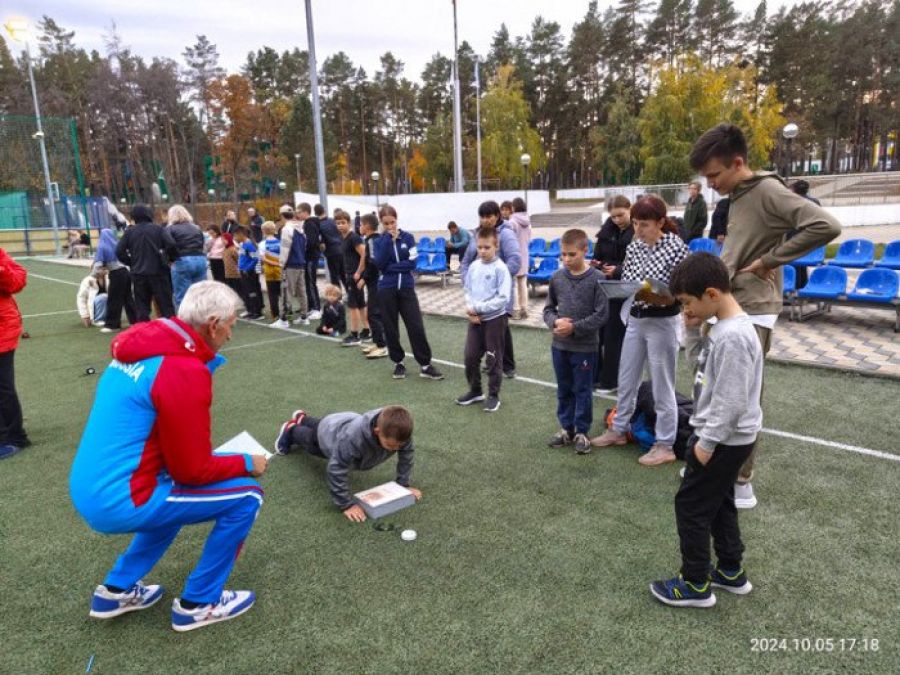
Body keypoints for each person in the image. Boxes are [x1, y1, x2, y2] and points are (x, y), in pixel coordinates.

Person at [69, 282, 266, 631]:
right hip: (123, 496)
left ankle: (114, 591)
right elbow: (192, 470)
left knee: (175, 497)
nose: (231, 335)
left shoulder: (146, 346)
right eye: (232, 326)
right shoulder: (181, 369)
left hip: (93, 486)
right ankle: (199, 603)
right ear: (214, 323)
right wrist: (248, 462)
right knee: (247, 496)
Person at [688, 123, 840, 508]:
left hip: (753, 310)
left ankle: (741, 480)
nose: (710, 185)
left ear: (738, 163)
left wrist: (770, 260)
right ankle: (717, 465)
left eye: (714, 176)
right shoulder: (738, 194)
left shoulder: (768, 190)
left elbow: (826, 225)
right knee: (713, 385)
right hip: (731, 304)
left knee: (742, 395)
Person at [649, 252, 762, 608]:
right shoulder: (721, 328)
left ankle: (696, 583)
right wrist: (691, 327)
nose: (685, 309)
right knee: (720, 503)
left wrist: (707, 443)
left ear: (712, 293)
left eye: (687, 303)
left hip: (723, 439)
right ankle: (730, 570)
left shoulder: (733, 337)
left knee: (692, 506)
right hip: (726, 437)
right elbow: (698, 369)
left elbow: (731, 401)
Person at [591, 196, 689, 466]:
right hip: (635, 318)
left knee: (662, 384)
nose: (638, 230)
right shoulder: (634, 246)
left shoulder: (675, 247)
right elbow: (630, 280)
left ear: (660, 222)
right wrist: (628, 288)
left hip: (662, 322)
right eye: (635, 223)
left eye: (644, 224)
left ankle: (665, 444)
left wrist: (666, 296)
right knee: (627, 377)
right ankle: (618, 429)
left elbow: (682, 288)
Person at [273, 406, 422, 523]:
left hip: (341, 421)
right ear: (377, 431)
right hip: (330, 435)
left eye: (399, 445)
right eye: (390, 445)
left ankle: (302, 418)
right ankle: (291, 430)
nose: (396, 449)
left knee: (320, 424)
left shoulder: (399, 431)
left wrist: (403, 484)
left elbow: (406, 455)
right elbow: (336, 468)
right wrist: (346, 504)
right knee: (312, 442)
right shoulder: (352, 439)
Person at [544, 229, 609, 455]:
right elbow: (548, 309)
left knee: (582, 390)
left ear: (585, 250)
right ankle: (566, 429)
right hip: (559, 347)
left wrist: (574, 327)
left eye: (572, 254)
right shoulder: (557, 278)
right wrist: (554, 322)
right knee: (564, 389)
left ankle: (582, 431)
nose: (567, 259)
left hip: (585, 348)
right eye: (563, 254)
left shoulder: (598, 279)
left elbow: (602, 315)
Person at [373, 204, 444, 381]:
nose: (390, 226)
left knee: (416, 326)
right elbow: (379, 264)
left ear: (397, 220)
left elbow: (412, 263)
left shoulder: (408, 238)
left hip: (406, 288)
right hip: (386, 289)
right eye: (386, 223)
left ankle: (425, 365)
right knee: (390, 327)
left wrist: (392, 267)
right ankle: (398, 362)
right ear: (381, 223)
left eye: (392, 222)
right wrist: (389, 242)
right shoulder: (379, 242)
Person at [460, 201, 522, 378]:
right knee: (488, 328)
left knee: (500, 327)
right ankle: (497, 362)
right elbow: (465, 262)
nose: (486, 220)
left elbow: (515, 261)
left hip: (498, 294)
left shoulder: (506, 234)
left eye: (489, 216)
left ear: (497, 216)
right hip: (478, 294)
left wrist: (498, 280)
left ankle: (506, 365)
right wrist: (469, 280)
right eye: (483, 216)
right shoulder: (477, 235)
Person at [456, 227, 512, 413]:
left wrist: (478, 308)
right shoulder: (473, 266)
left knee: (493, 358)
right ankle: (475, 390)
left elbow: (503, 299)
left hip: (495, 320)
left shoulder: (501, 269)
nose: (482, 251)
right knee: (470, 356)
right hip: (475, 320)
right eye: (479, 247)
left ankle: (493, 395)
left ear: (496, 245)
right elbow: (468, 290)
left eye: (486, 247)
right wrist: (471, 310)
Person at [590, 195, 633, 394]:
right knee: (600, 332)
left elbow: (637, 264)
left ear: (629, 209)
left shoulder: (636, 232)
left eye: (620, 215)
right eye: (613, 216)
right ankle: (596, 375)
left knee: (614, 335)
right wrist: (597, 264)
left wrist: (616, 270)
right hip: (604, 286)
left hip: (625, 290)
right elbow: (598, 255)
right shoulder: (607, 231)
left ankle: (611, 379)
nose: (617, 220)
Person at [116, 204, 178, 322]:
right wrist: (170, 259)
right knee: (166, 306)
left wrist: (131, 262)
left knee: (142, 308)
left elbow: (119, 251)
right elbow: (171, 245)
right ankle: (171, 331)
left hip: (139, 274)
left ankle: (145, 332)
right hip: (158, 272)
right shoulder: (158, 229)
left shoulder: (130, 232)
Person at [0, 247, 30, 459]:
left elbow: (18, 281)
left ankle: (15, 437)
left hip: (3, 330)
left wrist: (1, 271)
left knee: (3, 386)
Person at [336, 209, 369, 346]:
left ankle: (355, 335)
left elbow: (364, 253)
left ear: (349, 223)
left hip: (354, 276)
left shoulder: (353, 237)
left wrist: (358, 272)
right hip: (349, 275)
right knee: (360, 304)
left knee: (353, 305)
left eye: (343, 222)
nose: (340, 225)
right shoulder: (343, 238)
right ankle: (367, 331)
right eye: (337, 223)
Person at [94, 228, 136, 333]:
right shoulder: (117, 244)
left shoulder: (102, 246)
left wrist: (94, 275)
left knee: (114, 299)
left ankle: (112, 325)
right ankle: (135, 321)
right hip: (126, 272)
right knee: (128, 298)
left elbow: (98, 265)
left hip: (116, 273)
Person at [358, 214, 388, 359]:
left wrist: (364, 278)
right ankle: (377, 342)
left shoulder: (372, 241)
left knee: (374, 314)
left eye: (361, 224)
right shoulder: (370, 239)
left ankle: (382, 346)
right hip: (375, 282)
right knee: (375, 313)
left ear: (368, 226)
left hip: (377, 282)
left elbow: (374, 263)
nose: (359, 227)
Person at [167, 205, 208, 309]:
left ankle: (183, 322)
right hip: (200, 259)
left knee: (182, 295)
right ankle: (201, 319)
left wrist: (170, 259)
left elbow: (168, 245)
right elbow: (202, 243)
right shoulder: (196, 227)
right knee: (200, 294)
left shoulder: (170, 229)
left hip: (182, 259)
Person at [278, 204, 309, 326]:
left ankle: (285, 319)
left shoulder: (287, 229)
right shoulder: (301, 229)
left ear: (281, 215)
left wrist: (281, 264)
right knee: (302, 292)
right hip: (301, 263)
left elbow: (285, 249)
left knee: (287, 292)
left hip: (290, 264)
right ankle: (304, 317)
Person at [508, 197, 532, 319]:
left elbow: (510, 240)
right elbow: (529, 238)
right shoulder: (528, 222)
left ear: (514, 207)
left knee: (514, 285)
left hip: (514, 255)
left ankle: (516, 310)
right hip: (525, 254)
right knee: (523, 283)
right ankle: (525, 309)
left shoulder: (512, 222)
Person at [297, 203, 323, 318]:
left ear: (305, 212)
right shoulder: (308, 224)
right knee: (308, 282)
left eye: (299, 212)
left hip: (311, 257)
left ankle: (317, 308)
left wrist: (303, 249)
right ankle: (312, 306)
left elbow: (311, 242)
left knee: (311, 282)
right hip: (309, 256)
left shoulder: (310, 224)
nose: (298, 214)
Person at [234, 227, 264, 320]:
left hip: (250, 272)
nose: (235, 237)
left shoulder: (249, 244)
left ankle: (258, 312)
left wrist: (247, 269)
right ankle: (251, 310)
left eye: (236, 235)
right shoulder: (243, 244)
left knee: (253, 291)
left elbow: (255, 258)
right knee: (247, 291)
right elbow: (243, 258)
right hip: (244, 272)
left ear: (242, 234)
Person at [316, 204, 345, 289]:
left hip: (331, 253)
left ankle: (337, 298)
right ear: (324, 210)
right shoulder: (333, 221)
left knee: (334, 277)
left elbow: (322, 244)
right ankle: (351, 296)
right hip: (341, 249)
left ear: (316, 213)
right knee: (344, 275)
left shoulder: (318, 226)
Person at [260, 221, 283, 323]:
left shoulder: (262, 244)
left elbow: (263, 258)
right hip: (280, 270)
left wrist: (272, 262)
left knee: (272, 294)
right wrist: (278, 263)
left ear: (263, 231)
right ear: (274, 230)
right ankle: (287, 314)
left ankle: (275, 316)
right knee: (283, 293)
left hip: (269, 271)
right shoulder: (280, 242)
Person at [221, 232, 242, 297]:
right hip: (228, 274)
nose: (223, 241)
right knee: (230, 290)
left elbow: (238, 260)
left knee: (238, 290)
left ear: (229, 239)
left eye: (224, 239)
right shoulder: (224, 249)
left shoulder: (233, 249)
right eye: (222, 240)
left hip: (236, 274)